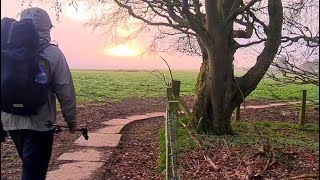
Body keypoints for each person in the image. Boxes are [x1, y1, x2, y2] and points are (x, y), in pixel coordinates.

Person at [1, 7, 77, 180]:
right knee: (34, 172)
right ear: (46, 28)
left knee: (29, 165)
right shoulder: (52, 53)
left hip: (10, 120)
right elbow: (65, 89)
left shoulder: (6, 49)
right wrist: (71, 120)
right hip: (40, 123)